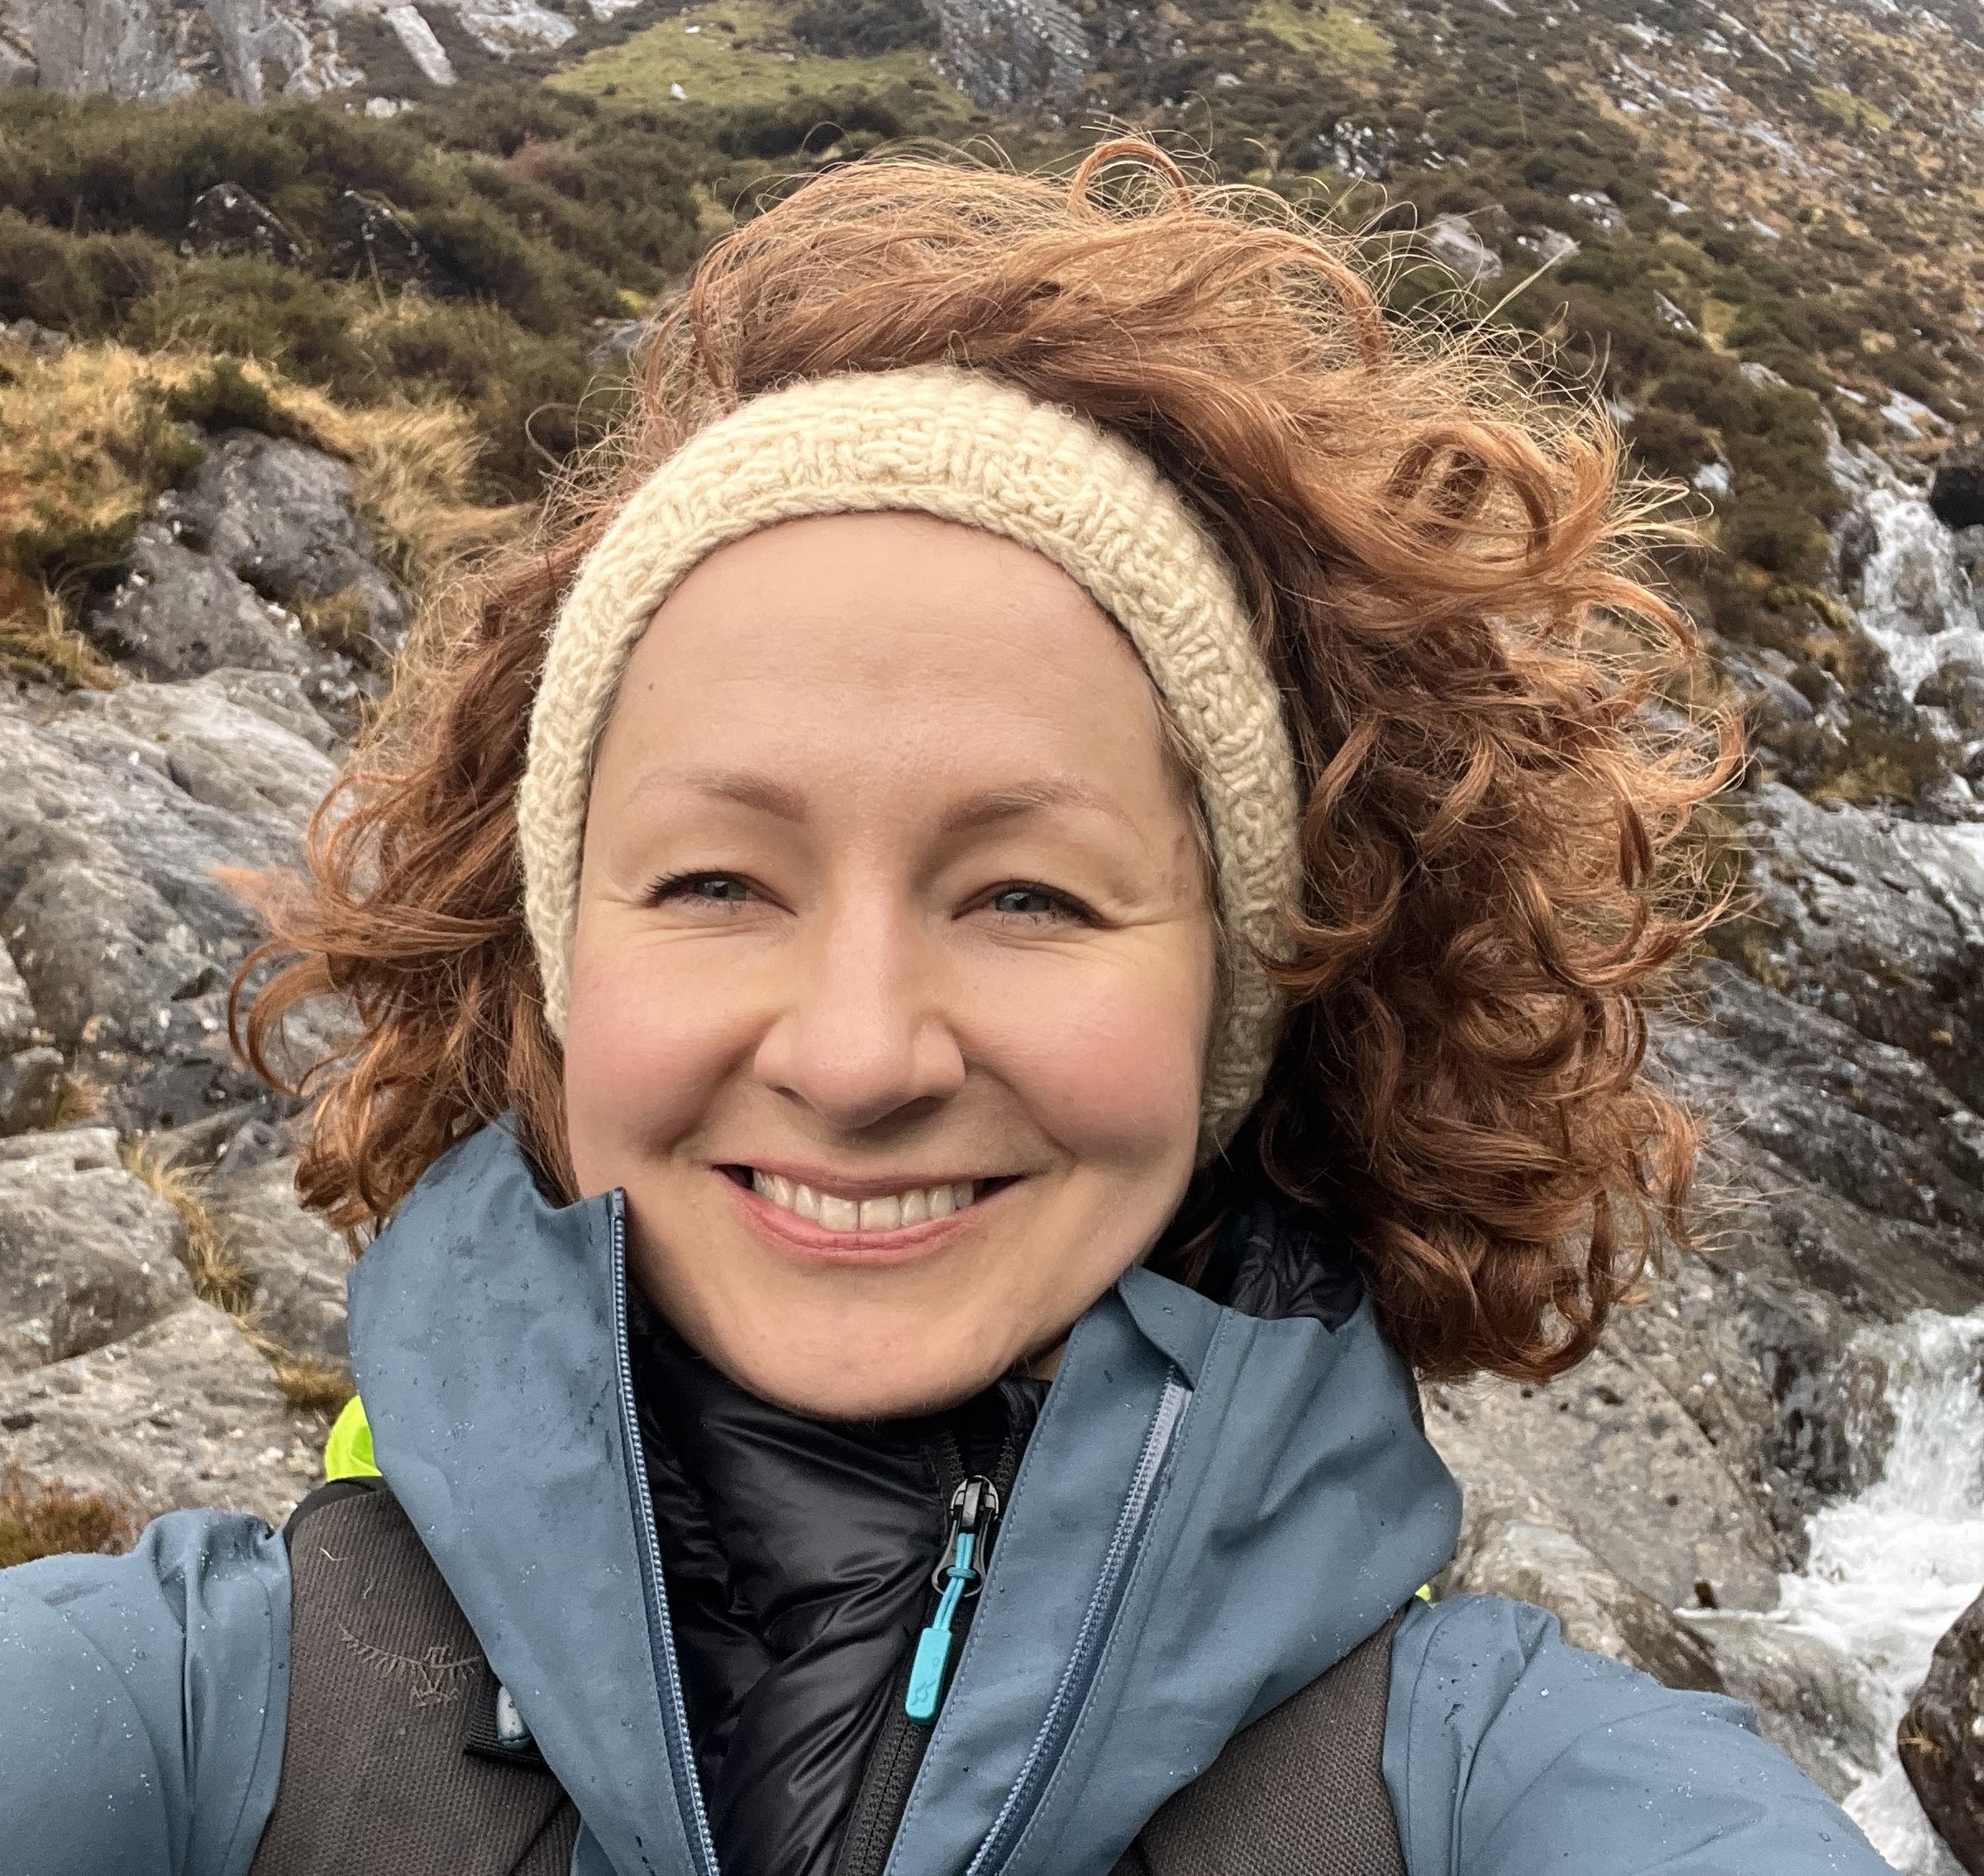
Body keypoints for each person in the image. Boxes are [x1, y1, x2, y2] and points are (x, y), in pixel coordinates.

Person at [0, 140, 1892, 1876]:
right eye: (719, 881)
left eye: (1028, 895)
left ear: (1246, 992)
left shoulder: (1476, 1802)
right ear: (563, 968)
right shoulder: (189, 1717)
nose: (854, 1052)